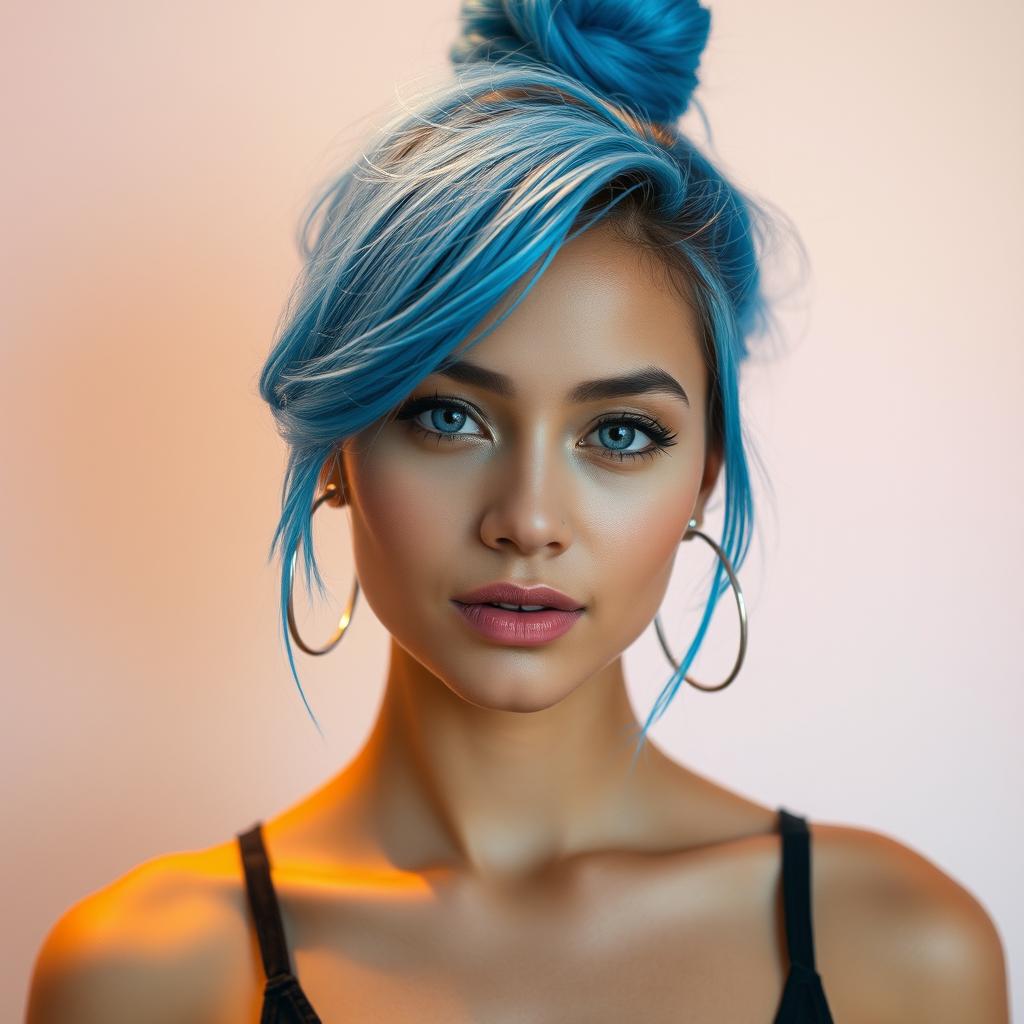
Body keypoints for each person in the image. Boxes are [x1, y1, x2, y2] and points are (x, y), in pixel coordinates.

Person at [27, 1, 1009, 1021]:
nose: (528, 518)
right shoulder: (142, 977)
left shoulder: (902, 952)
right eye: (447, 417)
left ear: (703, 477)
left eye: (620, 433)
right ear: (338, 449)